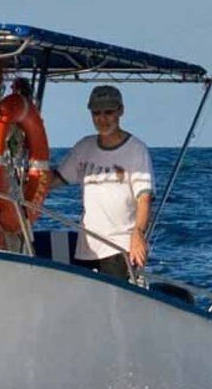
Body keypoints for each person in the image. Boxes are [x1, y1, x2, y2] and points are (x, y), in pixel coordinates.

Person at [53, 85, 153, 280]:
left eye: (108, 112)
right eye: (96, 113)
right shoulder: (84, 146)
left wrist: (138, 235)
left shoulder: (136, 150)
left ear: (120, 111)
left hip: (120, 247)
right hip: (87, 248)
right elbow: (56, 179)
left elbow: (144, 198)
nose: (102, 119)